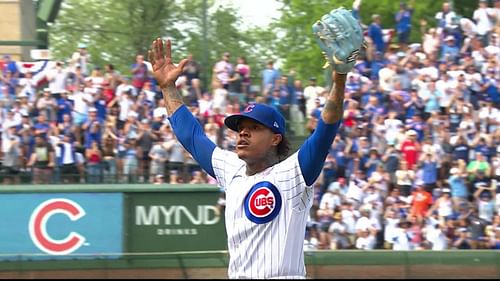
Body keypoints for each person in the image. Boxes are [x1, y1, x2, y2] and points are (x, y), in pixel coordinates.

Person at [148, 36, 349, 278]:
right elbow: (191, 136)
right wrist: (168, 87)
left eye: (254, 128)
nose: (242, 132)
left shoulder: (294, 173)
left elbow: (325, 131)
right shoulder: (231, 168)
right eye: (240, 127)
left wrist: (339, 78)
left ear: (275, 138)